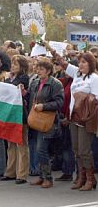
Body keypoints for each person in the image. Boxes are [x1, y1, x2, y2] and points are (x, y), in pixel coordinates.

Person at [57, 52, 98, 190]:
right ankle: (82, 177)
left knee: (84, 150)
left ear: (91, 64)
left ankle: (91, 179)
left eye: (84, 62)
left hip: (86, 118)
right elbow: (63, 63)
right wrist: (50, 48)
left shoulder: (94, 78)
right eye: (79, 62)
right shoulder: (77, 75)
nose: (80, 64)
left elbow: (96, 100)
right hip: (73, 117)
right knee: (76, 149)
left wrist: (83, 98)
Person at [28, 58, 64, 188]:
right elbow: (32, 98)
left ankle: (48, 178)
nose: (38, 71)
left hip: (49, 121)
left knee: (41, 149)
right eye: (37, 68)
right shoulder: (36, 82)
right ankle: (42, 176)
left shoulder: (55, 84)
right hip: (37, 120)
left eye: (41, 69)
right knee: (39, 150)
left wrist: (44, 106)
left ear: (48, 71)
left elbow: (59, 102)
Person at [1, 55, 30, 184]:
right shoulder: (11, 78)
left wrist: (6, 80)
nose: (13, 67)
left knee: (21, 144)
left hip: (20, 115)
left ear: (22, 67)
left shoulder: (23, 78)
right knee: (10, 144)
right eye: (12, 64)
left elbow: (11, 88)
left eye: (16, 65)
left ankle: (22, 174)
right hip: (10, 114)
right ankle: (10, 171)